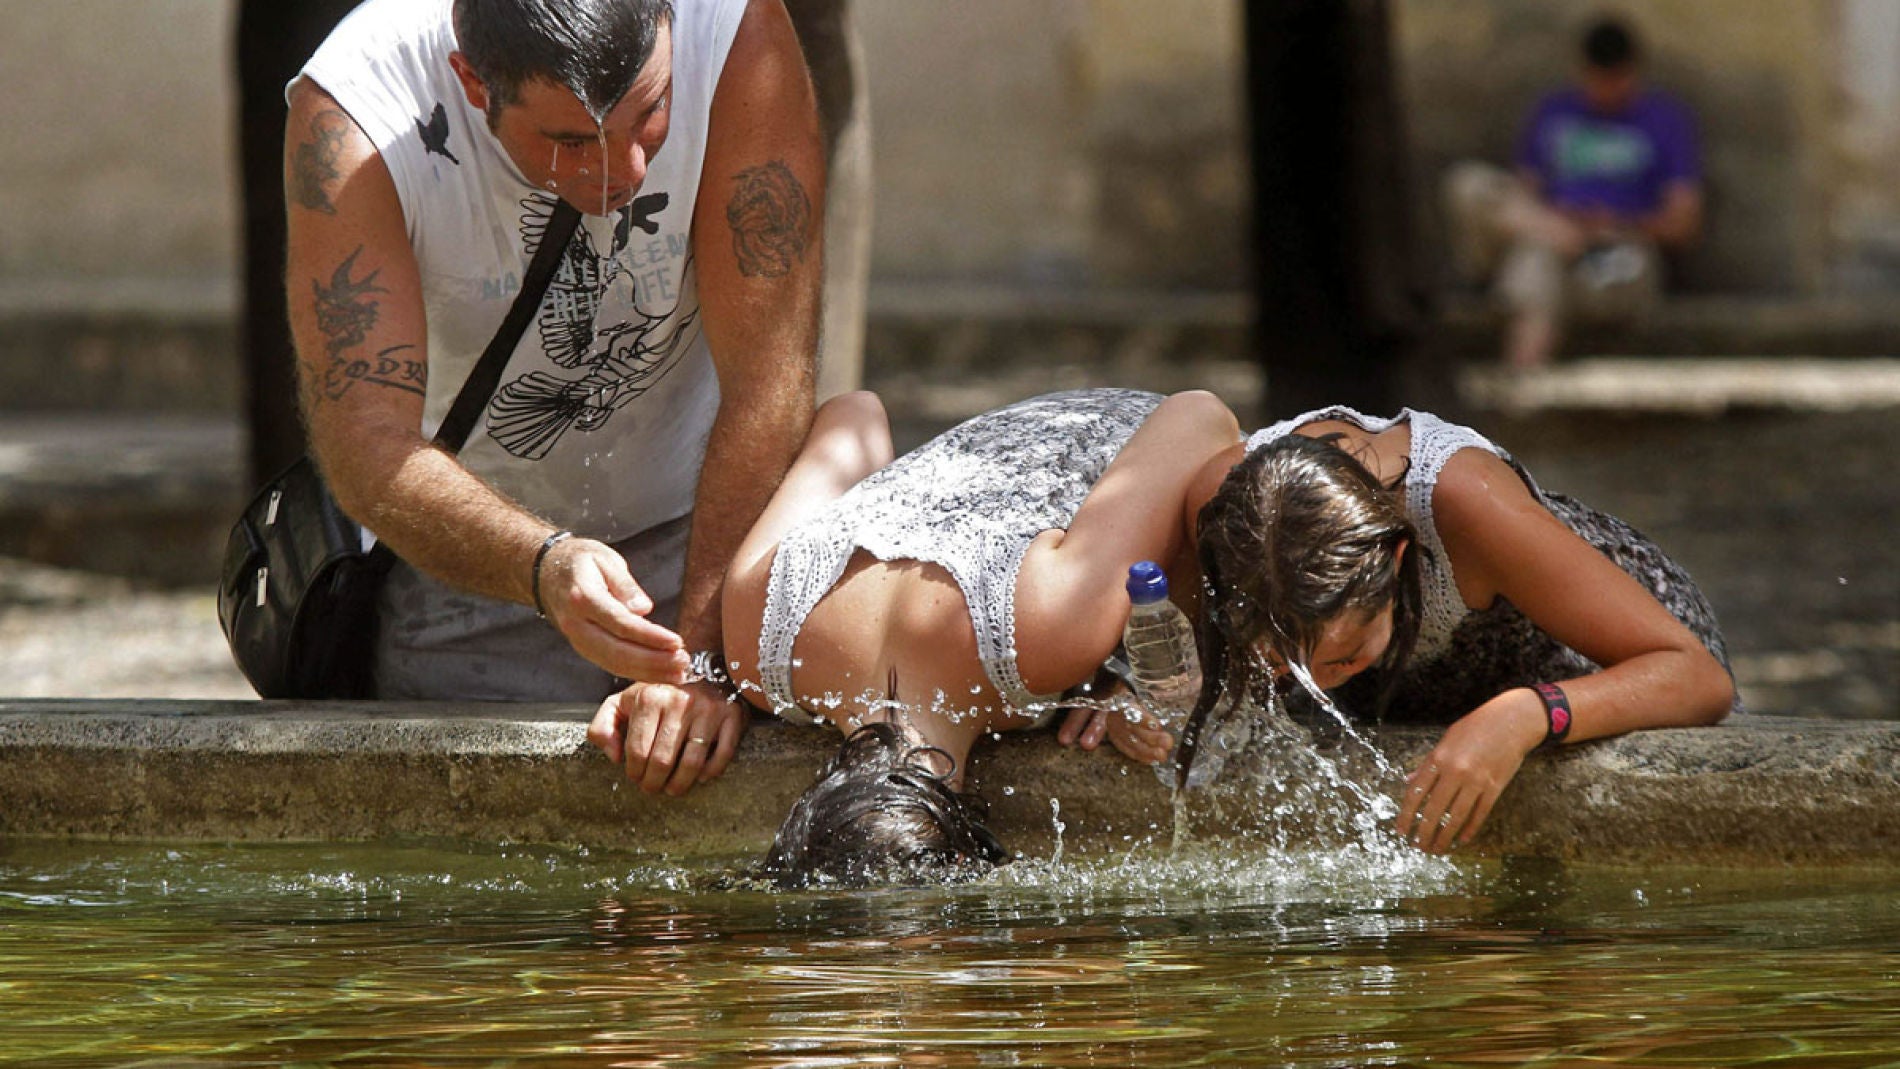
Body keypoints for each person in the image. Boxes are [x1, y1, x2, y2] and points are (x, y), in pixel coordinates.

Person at [283, 0, 823, 788]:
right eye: (571, 141)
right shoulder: (355, 108)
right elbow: (366, 443)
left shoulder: (736, 31)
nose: (626, 172)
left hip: (710, 535)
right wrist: (543, 566)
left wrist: (701, 654)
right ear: (472, 82)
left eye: (652, 112)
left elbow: (771, 382)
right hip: (472, 572)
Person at [595, 388, 1424, 884]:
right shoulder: (755, 636)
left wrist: (1134, 659)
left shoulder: (1048, 634)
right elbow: (856, 416)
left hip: (1124, 450)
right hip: (1006, 486)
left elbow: (1201, 419)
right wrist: (696, 669)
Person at [1443, 16, 1703, 369]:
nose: (1607, 89)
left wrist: (1613, 223)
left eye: (1617, 79)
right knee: (1470, 184)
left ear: (1634, 72)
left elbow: (1683, 223)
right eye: (1598, 78)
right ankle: (1523, 388)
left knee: (1537, 269)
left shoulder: (1664, 120)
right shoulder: (1553, 112)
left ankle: (1520, 381)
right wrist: (1559, 225)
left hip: (1618, 252)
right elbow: (1521, 196)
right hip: (1548, 235)